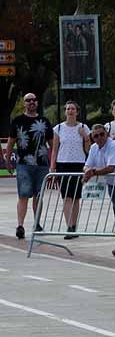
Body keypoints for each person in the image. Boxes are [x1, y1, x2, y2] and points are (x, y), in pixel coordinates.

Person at [82, 124, 115, 256]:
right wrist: (88, 171)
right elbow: (87, 165)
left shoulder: (114, 146)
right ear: (92, 137)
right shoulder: (94, 148)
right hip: (112, 183)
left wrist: (92, 172)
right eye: (96, 136)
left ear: (106, 134)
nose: (99, 138)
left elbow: (111, 167)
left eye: (102, 134)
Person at [5, 92, 53, 239]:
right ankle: (20, 225)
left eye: (34, 100)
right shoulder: (17, 121)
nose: (31, 102)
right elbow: (11, 141)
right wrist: (7, 160)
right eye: (28, 100)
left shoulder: (44, 121)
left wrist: (53, 163)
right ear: (24, 103)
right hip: (24, 164)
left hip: (42, 164)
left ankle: (37, 223)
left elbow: (52, 144)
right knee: (24, 195)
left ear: (37, 103)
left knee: (38, 195)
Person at [50, 101, 91, 239]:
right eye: (68, 109)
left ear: (77, 112)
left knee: (76, 196)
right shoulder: (59, 128)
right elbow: (54, 149)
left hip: (78, 163)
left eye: (73, 109)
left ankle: (74, 225)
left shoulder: (84, 127)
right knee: (66, 196)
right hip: (63, 164)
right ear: (65, 111)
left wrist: (85, 137)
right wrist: (52, 167)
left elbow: (88, 150)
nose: (70, 111)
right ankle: (69, 226)